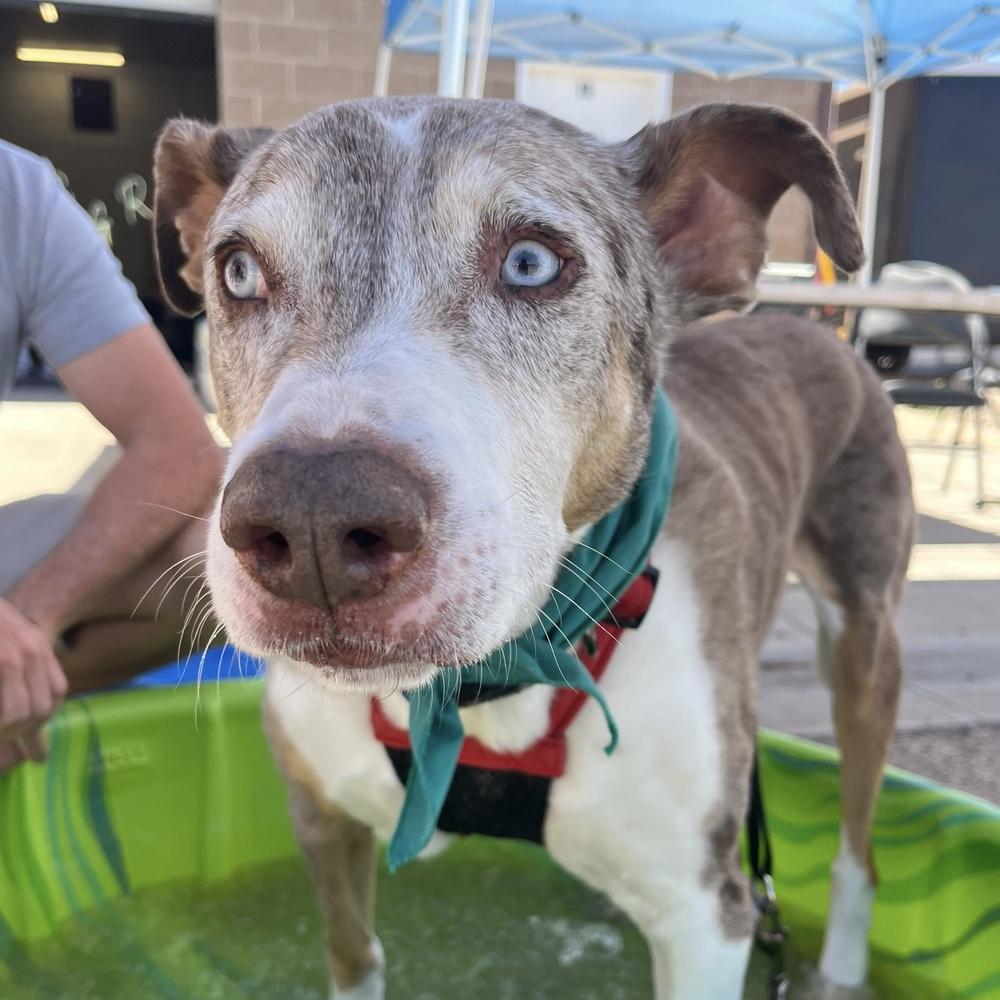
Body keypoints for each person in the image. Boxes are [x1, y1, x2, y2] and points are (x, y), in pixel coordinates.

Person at [0, 139, 222, 773]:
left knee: (233, 537)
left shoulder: (18, 193)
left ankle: (18, 691)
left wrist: (33, 616)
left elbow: (180, 449)